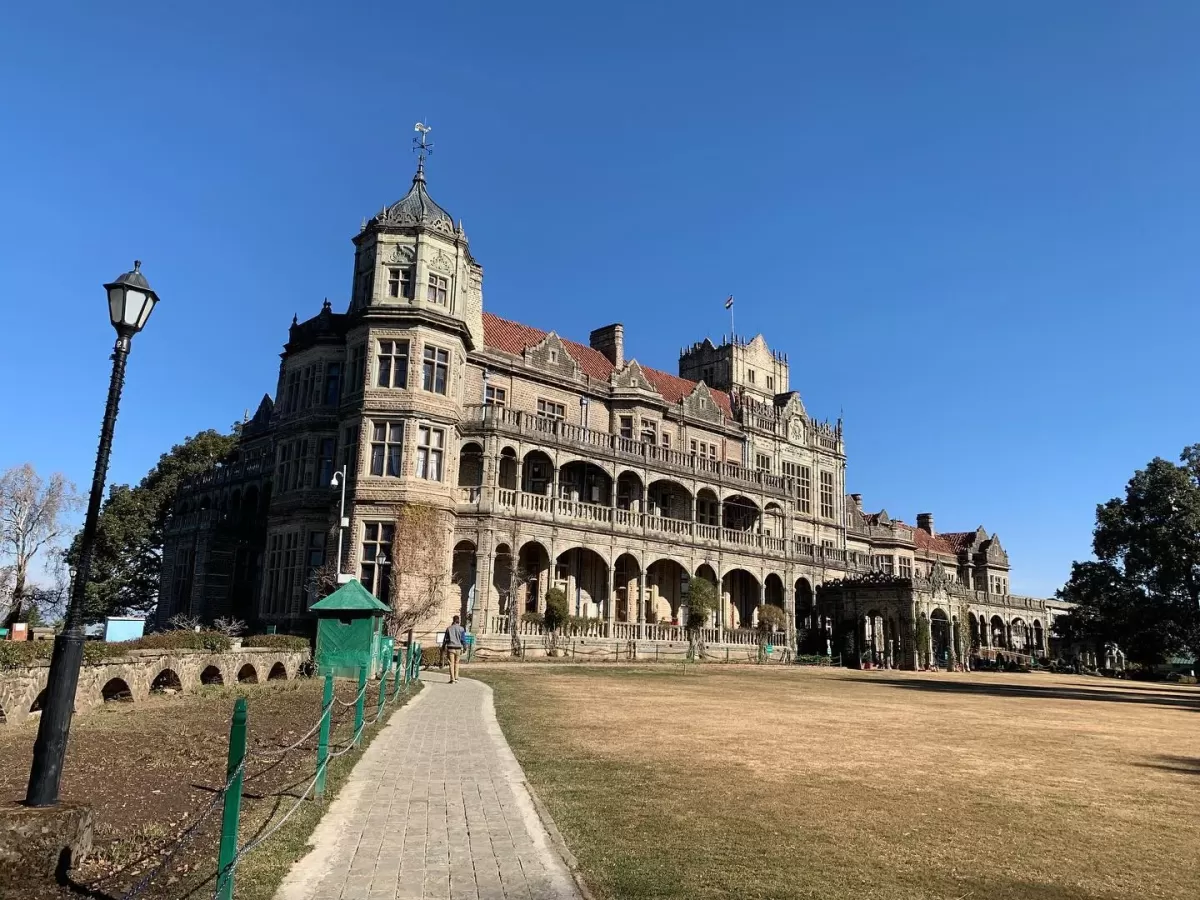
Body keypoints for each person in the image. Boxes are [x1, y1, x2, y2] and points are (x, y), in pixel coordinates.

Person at [444, 614, 467, 683]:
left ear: (453, 620)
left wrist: (443, 646)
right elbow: (463, 639)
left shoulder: (449, 628)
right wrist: (465, 646)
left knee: (451, 663)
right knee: (457, 663)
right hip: (458, 648)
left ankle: (452, 679)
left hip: (451, 647)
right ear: (458, 621)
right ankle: (456, 677)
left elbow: (446, 639)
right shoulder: (461, 629)